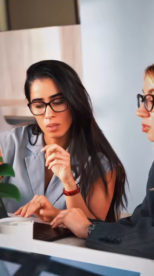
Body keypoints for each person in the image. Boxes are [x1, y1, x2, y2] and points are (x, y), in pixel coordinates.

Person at [50, 63, 154, 259]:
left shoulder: (103, 162)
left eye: (152, 99)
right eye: (144, 99)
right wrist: (79, 222)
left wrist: (90, 229)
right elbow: (140, 222)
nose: (141, 111)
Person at [0, 60, 127, 221]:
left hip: (67, 247)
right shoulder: (10, 143)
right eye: (39, 105)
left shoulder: (101, 164)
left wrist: (68, 182)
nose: (48, 114)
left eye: (58, 102)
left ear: (74, 101)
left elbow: (93, 230)